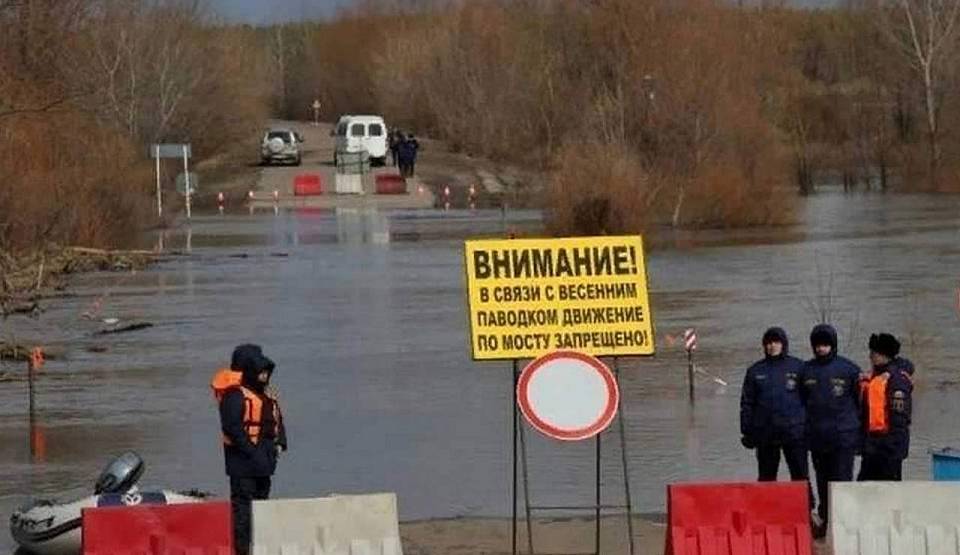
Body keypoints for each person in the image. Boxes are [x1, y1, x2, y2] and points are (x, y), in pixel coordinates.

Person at [212, 345, 288, 555]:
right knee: (243, 510)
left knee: (262, 507)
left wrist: (280, 443)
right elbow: (232, 427)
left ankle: (260, 546)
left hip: (264, 462)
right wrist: (251, 451)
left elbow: (277, 420)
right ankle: (243, 550)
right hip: (242, 463)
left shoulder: (266, 395)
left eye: (267, 371)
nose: (265, 375)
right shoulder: (235, 395)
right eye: (261, 370)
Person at [799, 324, 861, 539]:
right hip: (817, 438)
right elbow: (799, 403)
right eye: (817, 345)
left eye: (825, 345)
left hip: (843, 437)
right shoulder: (805, 371)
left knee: (842, 482)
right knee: (823, 482)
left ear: (832, 345)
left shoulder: (850, 370)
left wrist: (859, 437)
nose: (821, 349)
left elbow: (860, 404)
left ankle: (844, 525)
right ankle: (825, 521)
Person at [739, 328, 811, 495]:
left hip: (794, 432)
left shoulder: (799, 367)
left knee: (800, 475)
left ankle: (806, 510)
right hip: (765, 434)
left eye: (776, 342)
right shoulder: (755, 371)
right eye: (769, 343)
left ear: (783, 344)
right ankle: (766, 512)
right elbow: (747, 403)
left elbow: (810, 400)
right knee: (766, 477)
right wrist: (747, 431)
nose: (772, 346)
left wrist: (809, 427)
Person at [858, 333, 914, 482]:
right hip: (872, 446)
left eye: (874, 353)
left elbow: (900, 417)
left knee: (889, 490)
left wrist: (894, 447)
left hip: (889, 447)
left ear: (884, 355)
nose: (870, 357)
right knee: (864, 487)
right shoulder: (873, 377)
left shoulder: (897, 380)